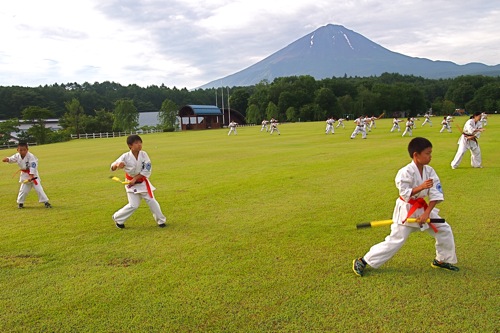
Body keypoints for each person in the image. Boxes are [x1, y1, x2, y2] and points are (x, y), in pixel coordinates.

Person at [352, 137, 458, 277]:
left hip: (423, 208)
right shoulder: (405, 172)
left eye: (431, 153)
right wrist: (420, 187)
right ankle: (363, 261)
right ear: (416, 155)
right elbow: (404, 193)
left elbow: (435, 194)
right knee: (396, 240)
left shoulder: (430, 171)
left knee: (444, 229)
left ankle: (441, 260)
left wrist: (427, 213)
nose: (430, 157)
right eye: (427, 153)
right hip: (406, 210)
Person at [110, 135, 166, 228]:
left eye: (140, 142)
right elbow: (113, 166)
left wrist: (135, 179)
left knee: (152, 201)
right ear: (130, 145)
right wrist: (117, 165)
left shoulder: (144, 154)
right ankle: (118, 218)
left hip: (142, 182)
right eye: (136, 143)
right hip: (130, 184)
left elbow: (147, 169)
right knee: (133, 205)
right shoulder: (125, 156)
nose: (139, 145)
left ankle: (161, 221)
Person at [2, 142, 52, 209]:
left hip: (33, 175)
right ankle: (20, 203)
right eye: (20, 150)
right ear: (17, 150)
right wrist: (7, 159)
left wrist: (31, 176)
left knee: (39, 189)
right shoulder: (17, 156)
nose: (22, 151)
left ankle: (46, 202)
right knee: (23, 190)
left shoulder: (31, 156)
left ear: (27, 149)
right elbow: (11, 159)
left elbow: (33, 166)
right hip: (24, 175)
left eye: (24, 150)